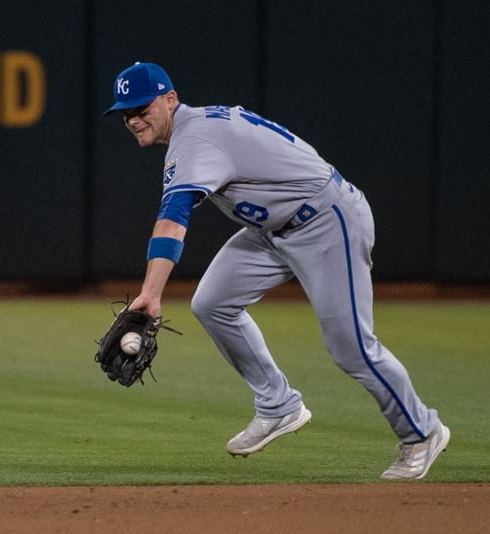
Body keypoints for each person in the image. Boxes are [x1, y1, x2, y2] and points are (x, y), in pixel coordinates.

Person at [104, 61, 450, 479]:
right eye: (126, 113)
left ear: (171, 99)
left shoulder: (195, 140)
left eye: (142, 108)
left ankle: (421, 432)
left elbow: (173, 218)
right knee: (213, 303)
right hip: (273, 230)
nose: (134, 119)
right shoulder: (194, 131)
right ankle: (277, 404)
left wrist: (151, 293)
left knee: (352, 347)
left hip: (327, 220)